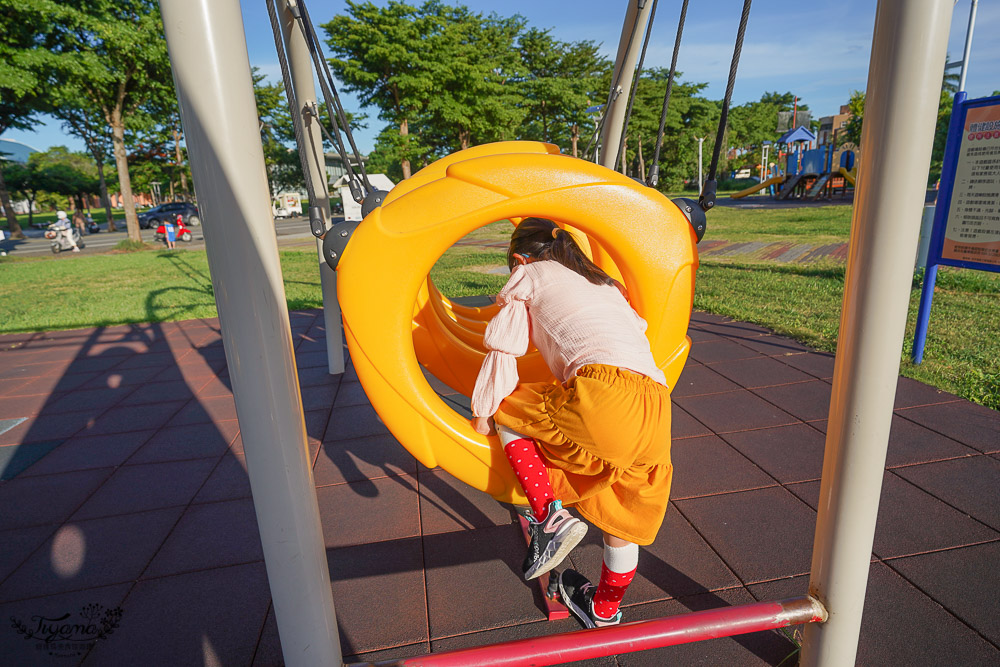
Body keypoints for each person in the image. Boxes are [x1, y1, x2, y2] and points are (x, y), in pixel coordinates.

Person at [471, 217, 672, 629]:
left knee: (509, 406)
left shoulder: (528, 273)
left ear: (518, 257)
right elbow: (633, 334)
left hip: (603, 393)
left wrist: (481, 414)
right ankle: (604, 609)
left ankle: (548, 514)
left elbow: (504, 349)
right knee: (622, 513)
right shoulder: (602, 283)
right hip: (656, 405)